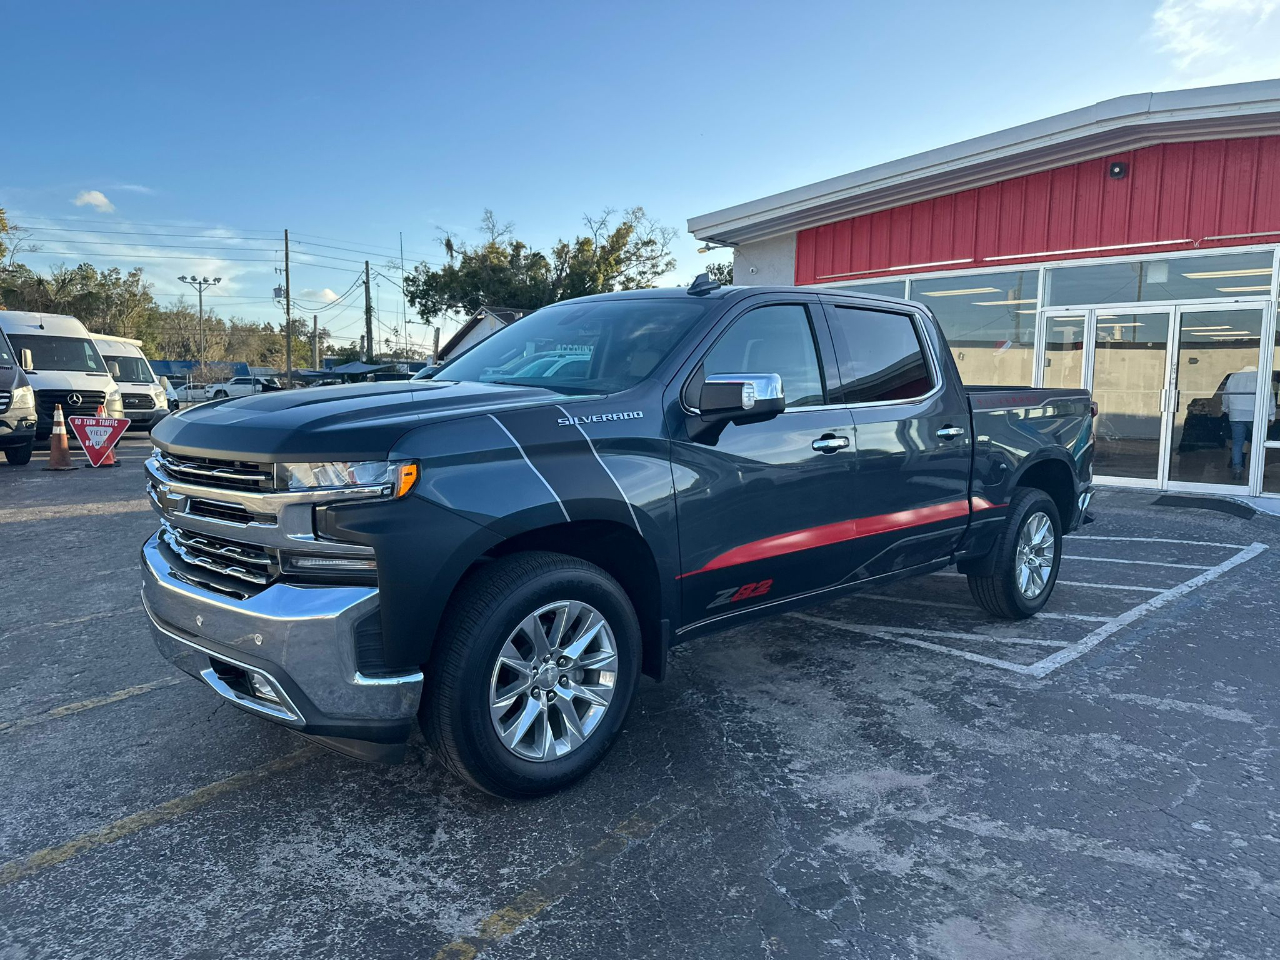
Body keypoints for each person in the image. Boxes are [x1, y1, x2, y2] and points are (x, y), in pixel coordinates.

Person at [1222, 364, 1276, 483]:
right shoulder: (1261, 376)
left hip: (1236, 414)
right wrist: (1271, 414)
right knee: (1258, 443)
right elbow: (1269, 396)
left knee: (1237, 443)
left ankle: (1237, 469)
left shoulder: (1234, 377)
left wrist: (1226, 408)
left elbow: (1226, 394)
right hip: (1255, 414)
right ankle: (1258, 470)